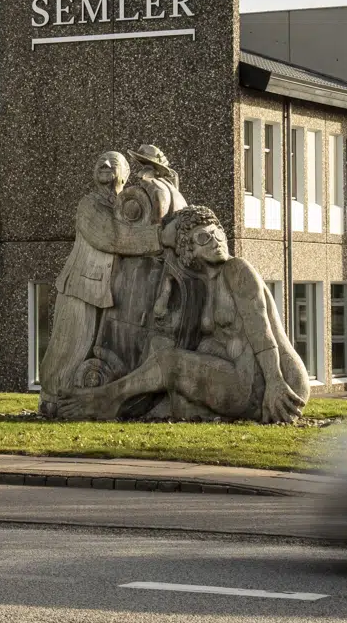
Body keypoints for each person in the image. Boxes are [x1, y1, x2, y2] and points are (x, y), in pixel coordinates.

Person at [57, 205, 310, 423]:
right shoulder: (207, 284)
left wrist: (275, 383)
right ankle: (119, 401)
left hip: (271, 380)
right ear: (188, 248)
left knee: (170, 362)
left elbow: (261, 329)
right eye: (203, 238)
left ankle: (105, 398)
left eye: (217, 234)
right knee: (184, 373)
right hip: (245, 375)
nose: (216, 242)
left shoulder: (237, 269)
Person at [39, 152, 161, 415]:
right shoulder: (89, 205)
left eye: (113, 164)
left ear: (125, 174)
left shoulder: (125, 203)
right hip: (80, 287)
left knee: (100, 347)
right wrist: (161, 237)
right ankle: (53, 399)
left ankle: (89, 399)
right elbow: (111, 237)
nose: (105, 166)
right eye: (100, 163)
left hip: (109, 292)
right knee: (70, 344)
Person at [94, 145, 189, 379]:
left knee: (129, 322)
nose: (138, 172)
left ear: (150, 168)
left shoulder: (154, 187)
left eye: (142, 165)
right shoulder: (174, 191)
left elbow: (155, 221)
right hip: (161, 265)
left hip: (146, 267)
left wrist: (148, 236)